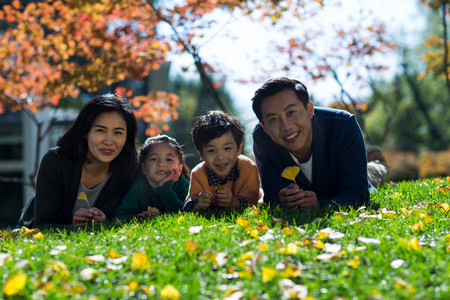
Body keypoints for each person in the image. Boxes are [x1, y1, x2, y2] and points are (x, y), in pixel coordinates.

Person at [251, 77, 388, 210]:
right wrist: (281, 200)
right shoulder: (261, 138)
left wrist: (320, 205)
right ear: (264, 127)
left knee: (369, 174)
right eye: (273, 119)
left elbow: (358, 194)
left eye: (291, 112)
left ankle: (377, 163)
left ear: (309, 109)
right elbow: (271, 196)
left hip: (339, 180)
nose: (286, 126)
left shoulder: (343, 124)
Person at [32, 94, 140, 227]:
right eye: (100, 130)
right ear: (85, 131)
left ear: (126, 137)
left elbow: (132, 218)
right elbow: (42, 225)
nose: (108, 141)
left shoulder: (131, 169)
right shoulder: (55, 162)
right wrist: (74, 227)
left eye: (118, 133)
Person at [183, 111, 260, 212]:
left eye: (227, 148)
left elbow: (251, 201)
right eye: (211, 150)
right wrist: (199, 205)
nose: (220, 157)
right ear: (201, 154)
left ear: (238, 149)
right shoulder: (198, 173)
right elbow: (188, 207)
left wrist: (233, 202)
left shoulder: (247, 167)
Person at [115, 135, 190, 220]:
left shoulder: (184, 185)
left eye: (169, 159)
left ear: (179, 169)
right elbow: (121, 215)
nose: (161, 164)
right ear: (143, 168)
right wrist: (137, 217)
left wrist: (165, 189)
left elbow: (184, 213)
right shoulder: (139, 187)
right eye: (154, 159)